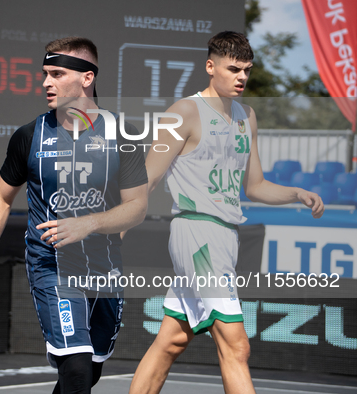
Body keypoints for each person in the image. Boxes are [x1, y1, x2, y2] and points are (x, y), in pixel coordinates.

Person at [129, 31, 325, 394]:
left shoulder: (246, 116)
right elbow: (148, 178)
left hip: (225, 236)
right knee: (236, 346)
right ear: (210, 66)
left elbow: (255, 186)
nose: (242, 77)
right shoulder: (184, 112)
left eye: (247, 70)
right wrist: (117, 227)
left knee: (171, 341)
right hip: (197, 235)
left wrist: (297, 192)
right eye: (234, 68)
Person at [0, 37, 148, 394]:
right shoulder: (29, 136)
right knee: (77, 368)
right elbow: (1, 197)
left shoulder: (123, 134)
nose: (45, 83)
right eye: (45, 74)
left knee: (89, 371)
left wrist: (92, 223)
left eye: (56, 74)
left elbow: (138, 207)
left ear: (87, 78)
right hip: (51, 266)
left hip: (105, 270)